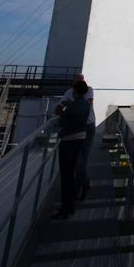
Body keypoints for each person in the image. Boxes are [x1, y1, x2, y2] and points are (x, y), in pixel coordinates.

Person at [51, 79, 90, 220]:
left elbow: (62, 121)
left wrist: (65, 108)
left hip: (68, 141)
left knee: (66, 176)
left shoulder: (73, 106)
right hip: (80, 138)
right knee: (72, 173)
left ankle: (65, 209)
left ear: (74, 91)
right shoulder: (86, 104)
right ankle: (70, 205)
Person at [56, 73, 96, 201]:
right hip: (74, 129)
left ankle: (80, 188)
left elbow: (87, 105)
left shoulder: (88, 90)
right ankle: (82, 186)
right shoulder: (69, 93)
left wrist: (70, 106)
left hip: (87, 128)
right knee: (76, 162)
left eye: (82, 80)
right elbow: (58, 109)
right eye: (78, 81)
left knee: (81, 160)